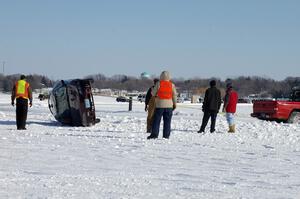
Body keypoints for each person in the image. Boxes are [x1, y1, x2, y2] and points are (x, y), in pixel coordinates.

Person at [147, 71, 177, 139]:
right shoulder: (172, 85)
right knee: (167, 122)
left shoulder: (158, 83)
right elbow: (174, 95)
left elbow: (153, 94)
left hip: (159, 105)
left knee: (156, 121)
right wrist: (174, 104)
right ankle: (166, 136)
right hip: (169, 106)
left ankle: (154, 135)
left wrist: (154, 92)